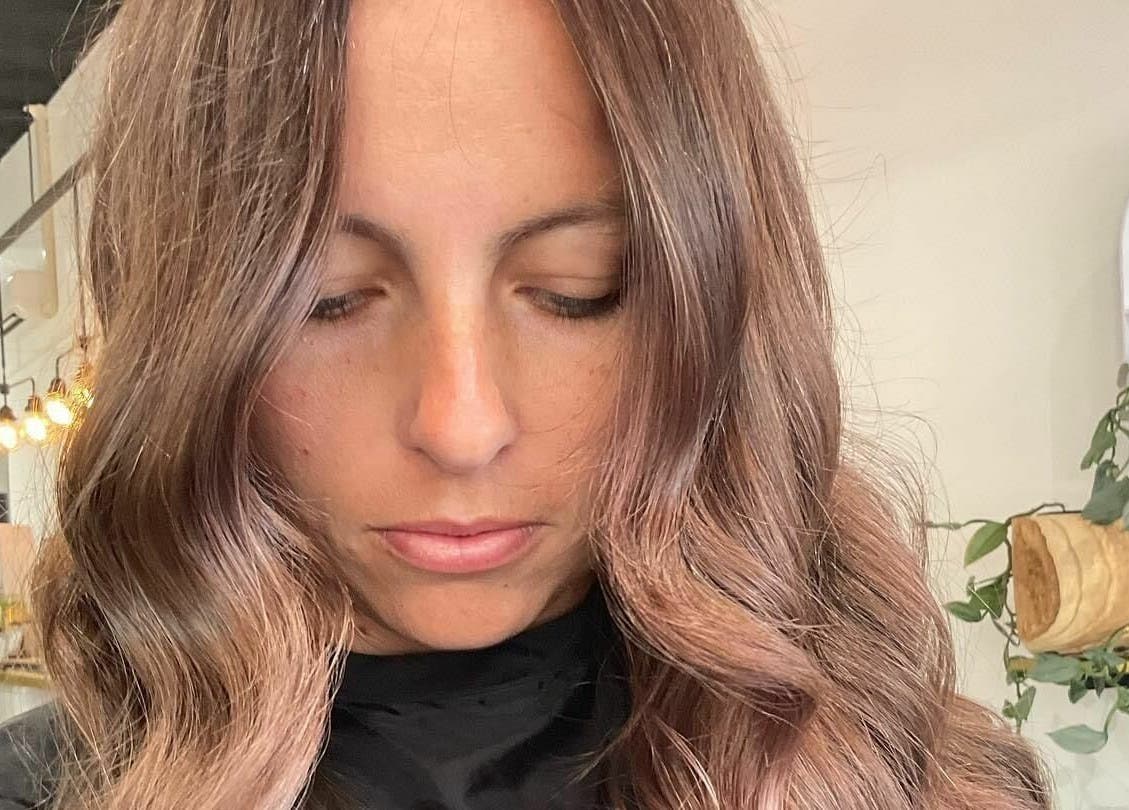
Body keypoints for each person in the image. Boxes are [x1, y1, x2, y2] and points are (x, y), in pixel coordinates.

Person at [0, 1, 1052, 808]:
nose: (462, 426)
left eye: (574, 291)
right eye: (323, 302)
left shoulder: (909, 772)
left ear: (712, 312)